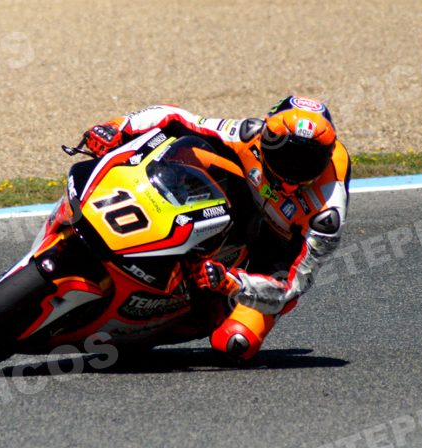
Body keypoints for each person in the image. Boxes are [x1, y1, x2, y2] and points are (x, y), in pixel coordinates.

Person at [82, 95, 351, 360]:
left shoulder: (327, 214)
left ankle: (146, 331)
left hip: (274, 256)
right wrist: (117, 127)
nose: (293, 173)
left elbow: (291, 286)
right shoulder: (248, 136)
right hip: (240, 204)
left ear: (326, 157)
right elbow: (176, 117)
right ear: (265, 137)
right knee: (192, 150)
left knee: (235, 343)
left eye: (307, 162)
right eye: (285, 156)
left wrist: (232, 282)